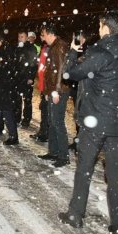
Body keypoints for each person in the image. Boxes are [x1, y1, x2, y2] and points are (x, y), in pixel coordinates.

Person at [58, 10, 118, 234]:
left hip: (95, 122)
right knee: (115, 175)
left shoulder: (100, 52)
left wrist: (72, 55)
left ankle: (75, 214)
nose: (98, 29)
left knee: (84, 169)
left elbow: (69, 75)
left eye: (99, 25)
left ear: (105, 27)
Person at [37, 23, 71, 168]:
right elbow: (49, 72)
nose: (42, 36)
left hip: (59, 91)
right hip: (52, 91)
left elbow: (60, 71)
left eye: (44, 33)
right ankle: (53, 151)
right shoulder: (53, 47)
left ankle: (63, 156)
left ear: (50, 33)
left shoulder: (60, 47)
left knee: (57, 122)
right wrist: (47, 91)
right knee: (52, 121)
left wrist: (56, 91)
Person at [67, 30, 88, 152]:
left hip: (84, 90)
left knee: (82, 117)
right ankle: (78, 140)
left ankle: (81, 142)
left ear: (83, 39)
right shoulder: (75, 50)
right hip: (76, 88)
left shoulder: (87, 52)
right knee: (77, 116)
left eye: (78, 38)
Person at [15, 31, 38, 128]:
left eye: (22, 36)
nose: (20, 38)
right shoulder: (17, 48)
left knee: (27, 99)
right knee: (17, 99)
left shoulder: (31, 48)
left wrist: (31, 77)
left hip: (26, 77)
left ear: (26, 38)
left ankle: (26, 119)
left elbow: (33, 64)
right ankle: (17, 117)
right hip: (17, 77)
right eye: (19, 36)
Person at [30, 40, 50, 143]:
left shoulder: (49, 49)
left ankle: (45, 132)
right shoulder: (44, 48)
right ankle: (43, 131)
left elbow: (48, 70)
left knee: (46, 110)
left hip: (47, 86)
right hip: (44, 85)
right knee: (43, 109)